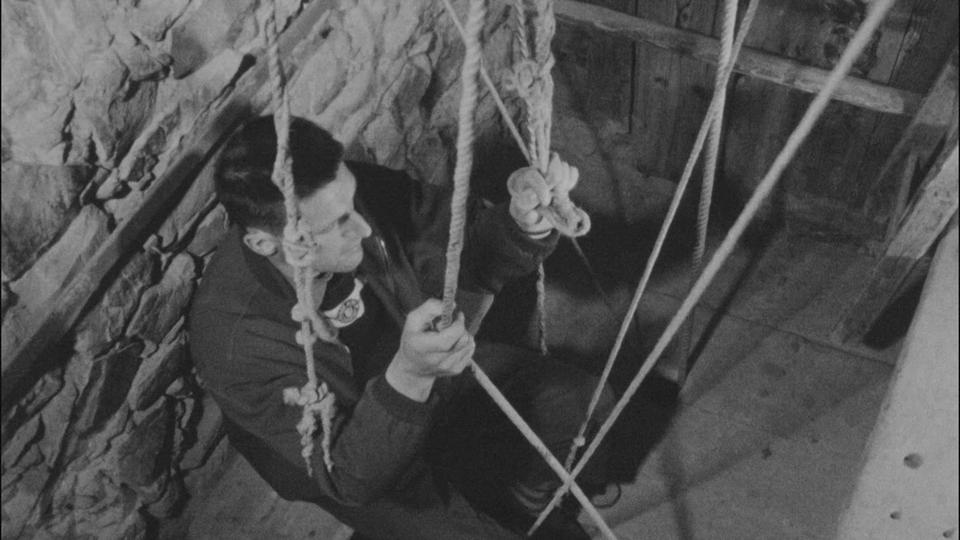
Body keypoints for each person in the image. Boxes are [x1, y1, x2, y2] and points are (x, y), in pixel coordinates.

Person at [188, 115, 614, 539]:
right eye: (337, 224)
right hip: (358, 452)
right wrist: (412, 374)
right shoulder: (233, 340)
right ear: (266, 243)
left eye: (353, 202)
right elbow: (349, 476)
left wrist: (522, 221)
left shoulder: (350, 196)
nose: (363, 225)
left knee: (584, 402)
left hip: (415, 370)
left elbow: (461, 245)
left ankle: (515, 506)